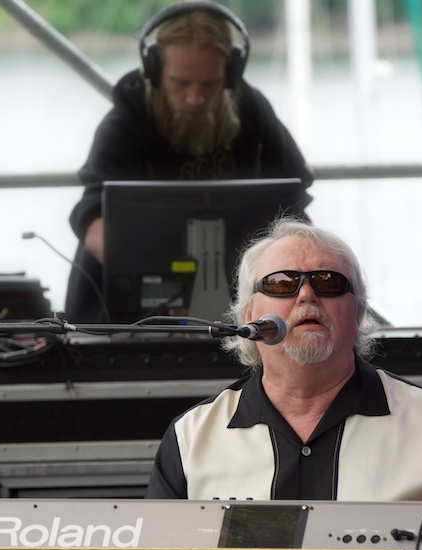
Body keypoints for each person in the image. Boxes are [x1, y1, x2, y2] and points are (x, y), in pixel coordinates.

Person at [145, 217, 422, 501]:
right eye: (282, 283)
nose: (307, 294)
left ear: (357, 312)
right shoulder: (192, 438)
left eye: (328, 282)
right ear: (248, 314)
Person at [65, 1, 314, 323]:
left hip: (240, 307)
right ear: (155, 70)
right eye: (181, 83)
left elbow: (294, 206)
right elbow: (93, 223)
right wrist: (162, 287)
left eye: (208, 84)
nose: (195, 97)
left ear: (230, 73)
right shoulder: (125, 122)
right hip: (130, 316)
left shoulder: (253, 113)